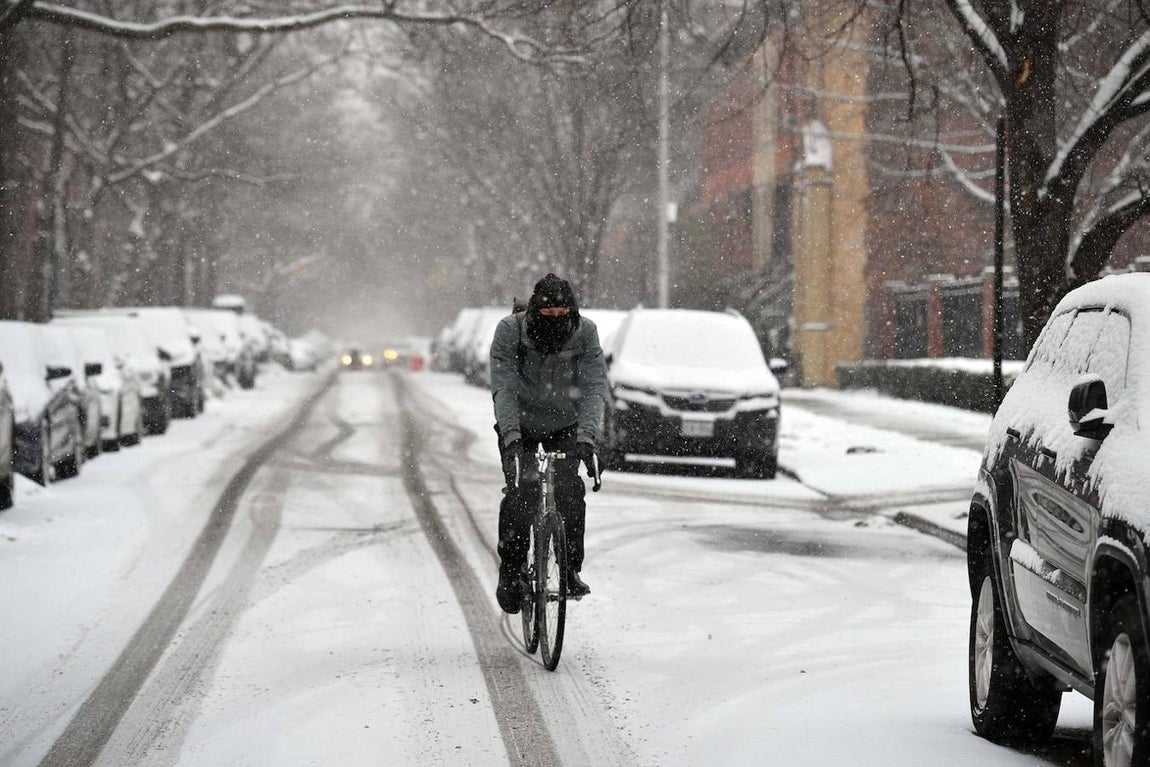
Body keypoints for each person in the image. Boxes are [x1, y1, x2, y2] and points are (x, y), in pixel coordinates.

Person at [489, 273, 608, 614]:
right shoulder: (510, 331)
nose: (555, 321)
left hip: (566, 423)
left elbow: (593, 388)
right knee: (521, 492)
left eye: (562, 314)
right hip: (521, 423)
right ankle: (511, 572)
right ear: (533, 313)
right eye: (547, 315)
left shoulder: (586, 332)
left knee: (571, 491)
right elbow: (505, 388)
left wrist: (587, 438)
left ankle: (569, 569)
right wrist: (511, 439)